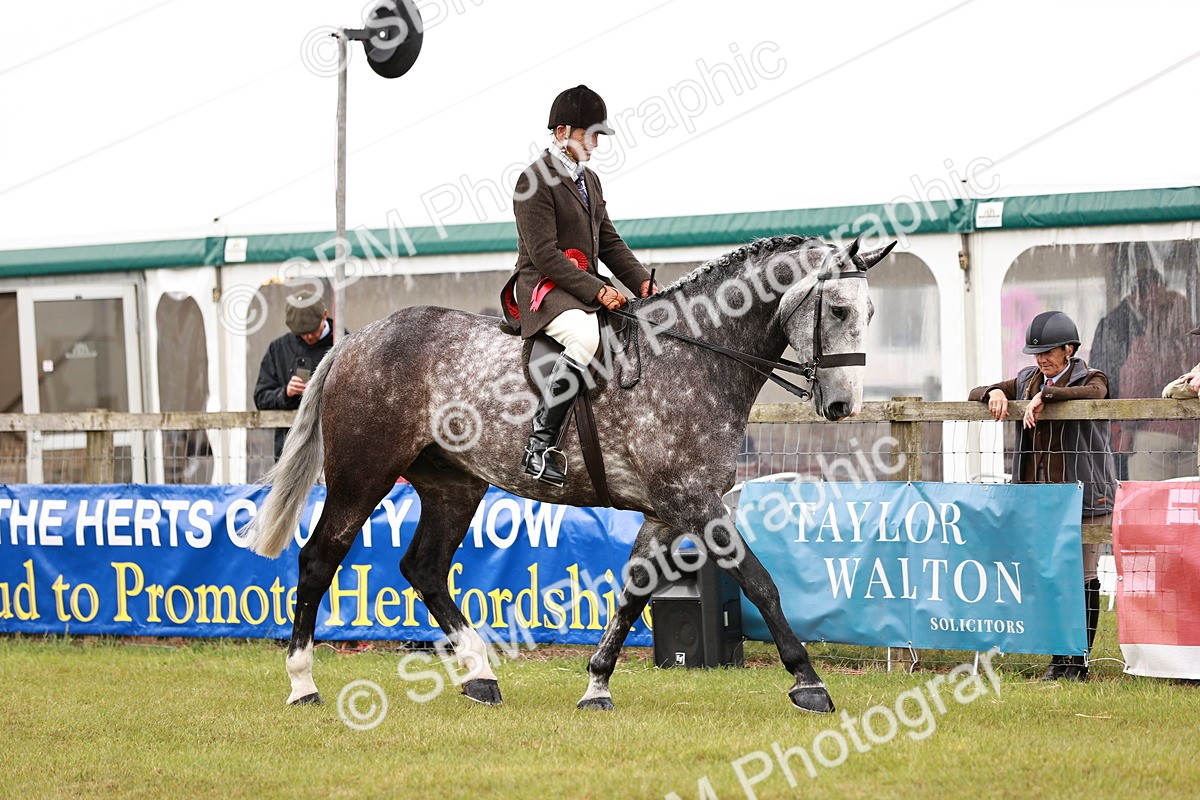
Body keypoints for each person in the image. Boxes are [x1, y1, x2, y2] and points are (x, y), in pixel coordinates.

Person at [499, 85, 657, 486]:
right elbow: (544, 254)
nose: (597, 144)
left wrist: (641, 283)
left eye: (599, 136)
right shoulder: (532, 181)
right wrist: (598, 290)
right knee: (585, 339)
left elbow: (609, 241)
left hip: (580, 285)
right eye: (590, 135)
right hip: (545, 289)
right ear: (562, 133)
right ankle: (539, 446)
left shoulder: (591, 181)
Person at [969, 310, 1117, 681]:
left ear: (1069, 349)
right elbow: (975, 392)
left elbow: (1093, 394)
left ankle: (1079, 663)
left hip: (1085, 498)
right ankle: (1058, 660)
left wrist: (1045, 397)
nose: (1041, 359)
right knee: (1051, 578)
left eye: (1048, 352)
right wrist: (998, 392)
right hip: (1039, 502)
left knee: (1083, 577)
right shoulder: (1026, 379)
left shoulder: (1091, 376)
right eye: (1036, 353)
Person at [254, 291, 336, 461]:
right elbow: (260, 397)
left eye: (311, 331)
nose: (307, 337)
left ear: (324, 316)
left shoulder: (344, 344)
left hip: (330, 447)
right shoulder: (279, 348)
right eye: (300, 333)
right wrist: (285, 393)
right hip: (289, 448)